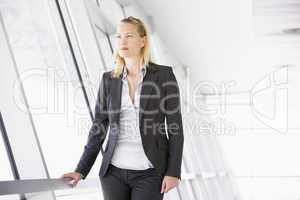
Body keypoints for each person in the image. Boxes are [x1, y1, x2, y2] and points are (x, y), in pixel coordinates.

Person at [61, 16, 184, 200]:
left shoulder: (164, 75)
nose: (122, 41)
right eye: (119, 36)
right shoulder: (108, 79)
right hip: (113, 173)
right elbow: (98, 128)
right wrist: (81, 170)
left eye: (129, 36)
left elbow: (175, 127)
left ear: (143, 41)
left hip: (150, 172)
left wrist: (173, 172)